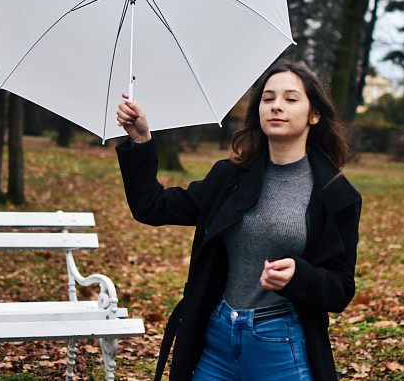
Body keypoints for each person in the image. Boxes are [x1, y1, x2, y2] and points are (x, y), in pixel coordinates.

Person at [114, 60, 362, 381]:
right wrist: (141, 141)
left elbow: (341, 289)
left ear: (314, 115)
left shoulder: (335, 195)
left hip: (281, 343)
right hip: (217, 339)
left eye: (290, 99)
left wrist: (299, 276)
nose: (276, 106)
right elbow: (152, 207)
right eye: (268, 98)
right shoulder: (229, 179)